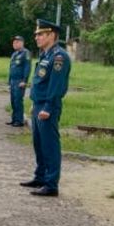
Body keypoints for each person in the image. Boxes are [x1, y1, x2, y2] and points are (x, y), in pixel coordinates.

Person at [20, 19, 71, 197]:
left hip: (48, 107)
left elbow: (56, 86)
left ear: (52, 35)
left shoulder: (59, 57)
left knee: (49, 146)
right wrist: (35, 103)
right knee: (39, 144)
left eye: (41, 34)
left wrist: (48, 107)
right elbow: (40, 82)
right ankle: (40, 177)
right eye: (36, 34)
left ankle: (51, 184)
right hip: (39, 104)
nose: (37, 37)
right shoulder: (45, 55)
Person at [6, 35, 31, 127]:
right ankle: (14, 119)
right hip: (13, 81)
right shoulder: (14, 54)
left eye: (16, 42)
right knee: (13, 101)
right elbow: (11, 68)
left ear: (22, 43)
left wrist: (24, 80)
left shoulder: (26, 53)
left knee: (18, 101)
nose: (14, 44)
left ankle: (19, 121)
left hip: (19, 81)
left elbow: (27, 68)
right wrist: (9, 82)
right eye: (13, 42)